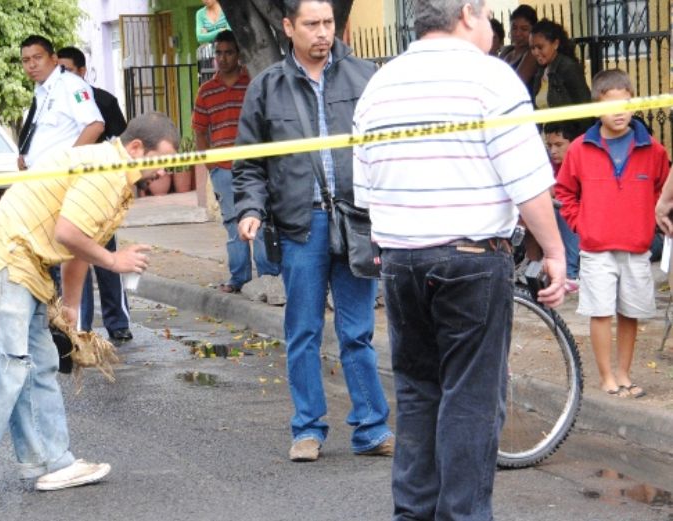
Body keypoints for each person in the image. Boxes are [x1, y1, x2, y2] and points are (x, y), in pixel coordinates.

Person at [352, 1, 566, 518]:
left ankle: (414, 512)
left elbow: (365, 189)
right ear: (467, 13)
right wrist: (555, 251)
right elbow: (528, 179)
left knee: (419, 392)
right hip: (471, 258)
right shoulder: (492, 78)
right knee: (470, 398)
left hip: (401, 258)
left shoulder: (380, 84)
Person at [0, 112, 179, 508]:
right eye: (161, 160)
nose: (163, 171)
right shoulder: (107, 171)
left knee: (39, 364)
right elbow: (70, 234)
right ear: (136, 149)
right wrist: (114, 262)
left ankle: (49, 462)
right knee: (1, 363)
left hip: (24, 268)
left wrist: (71, 315)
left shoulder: (116, 176)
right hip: (3, 262)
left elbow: (76, 247)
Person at [234, 0, 393, 462]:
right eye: (311, 24)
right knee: (302, 330)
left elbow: (386, 150)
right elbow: (249, 165)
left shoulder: (366, 77)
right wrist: (250, 209)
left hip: (357, 221)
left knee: (357, 332)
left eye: (328, 23)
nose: (322, 33)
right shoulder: (267, 87)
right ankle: (307, 428)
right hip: (300, 225)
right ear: (288, 27)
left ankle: (371, 428)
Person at [556, 69, 669, 399]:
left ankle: (624, 373)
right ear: (596, 107)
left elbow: (665, 191)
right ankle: (606, 375)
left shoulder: (653, 150)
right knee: (601, 311)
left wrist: (651, 221)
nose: (619, 112)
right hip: (596, 247)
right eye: (611, 104)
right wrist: (582, 224)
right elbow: (564, 192)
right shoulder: (580, 148)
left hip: (636, 246)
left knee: (631, 312)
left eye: (626, 103)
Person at [193, 30, 283, 304]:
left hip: (255, 167)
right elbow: (200, 130)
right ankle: (239, 278)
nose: (222, 58)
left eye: (228, 52)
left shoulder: (252, 84)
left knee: (261, 219)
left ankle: (267, 275)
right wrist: (209, 164)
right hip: (223, 168)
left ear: (239, 54)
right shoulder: (207, 91)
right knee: (233, 223)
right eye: (218, 53)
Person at [56, 45, 134, 342]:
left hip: (99, 193)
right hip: (65, 193)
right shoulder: (52, 101)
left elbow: (120, 142)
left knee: (107, 259)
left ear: (81, 71)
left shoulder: (102, 101)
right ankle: (82, 327)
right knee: (75, 260)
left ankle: (118, 323)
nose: (61, 76)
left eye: (66, 70)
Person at [17, 35, 104, 172]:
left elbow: (95, 126)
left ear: (54, 59)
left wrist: (69, 165)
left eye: (38, 57)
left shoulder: (71, 85)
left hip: (59, 177)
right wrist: (25, 154)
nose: (31, 65)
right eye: (26, 60)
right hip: (36, 176)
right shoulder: (41, 90)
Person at [544, 120, 582, 290]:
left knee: (563, 209)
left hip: (585, 220)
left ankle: (571, 274)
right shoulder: (550, 164)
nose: (553, 151)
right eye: (550, 145)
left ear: (573, 143)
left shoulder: (583, 161)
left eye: (559, 145)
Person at [530, 19, 590, 110]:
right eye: (532, 48)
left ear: (555, 44)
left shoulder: (569, 68)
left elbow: (584, 106)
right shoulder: (540, 71)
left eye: (540, 47)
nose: (535, 52)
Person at [498, 4, 538, 94]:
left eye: (524, 29)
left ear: (533, 31)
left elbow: (516, 85)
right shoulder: (506, 52)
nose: (518, 33)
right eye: (514, 28)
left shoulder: (532, 54)